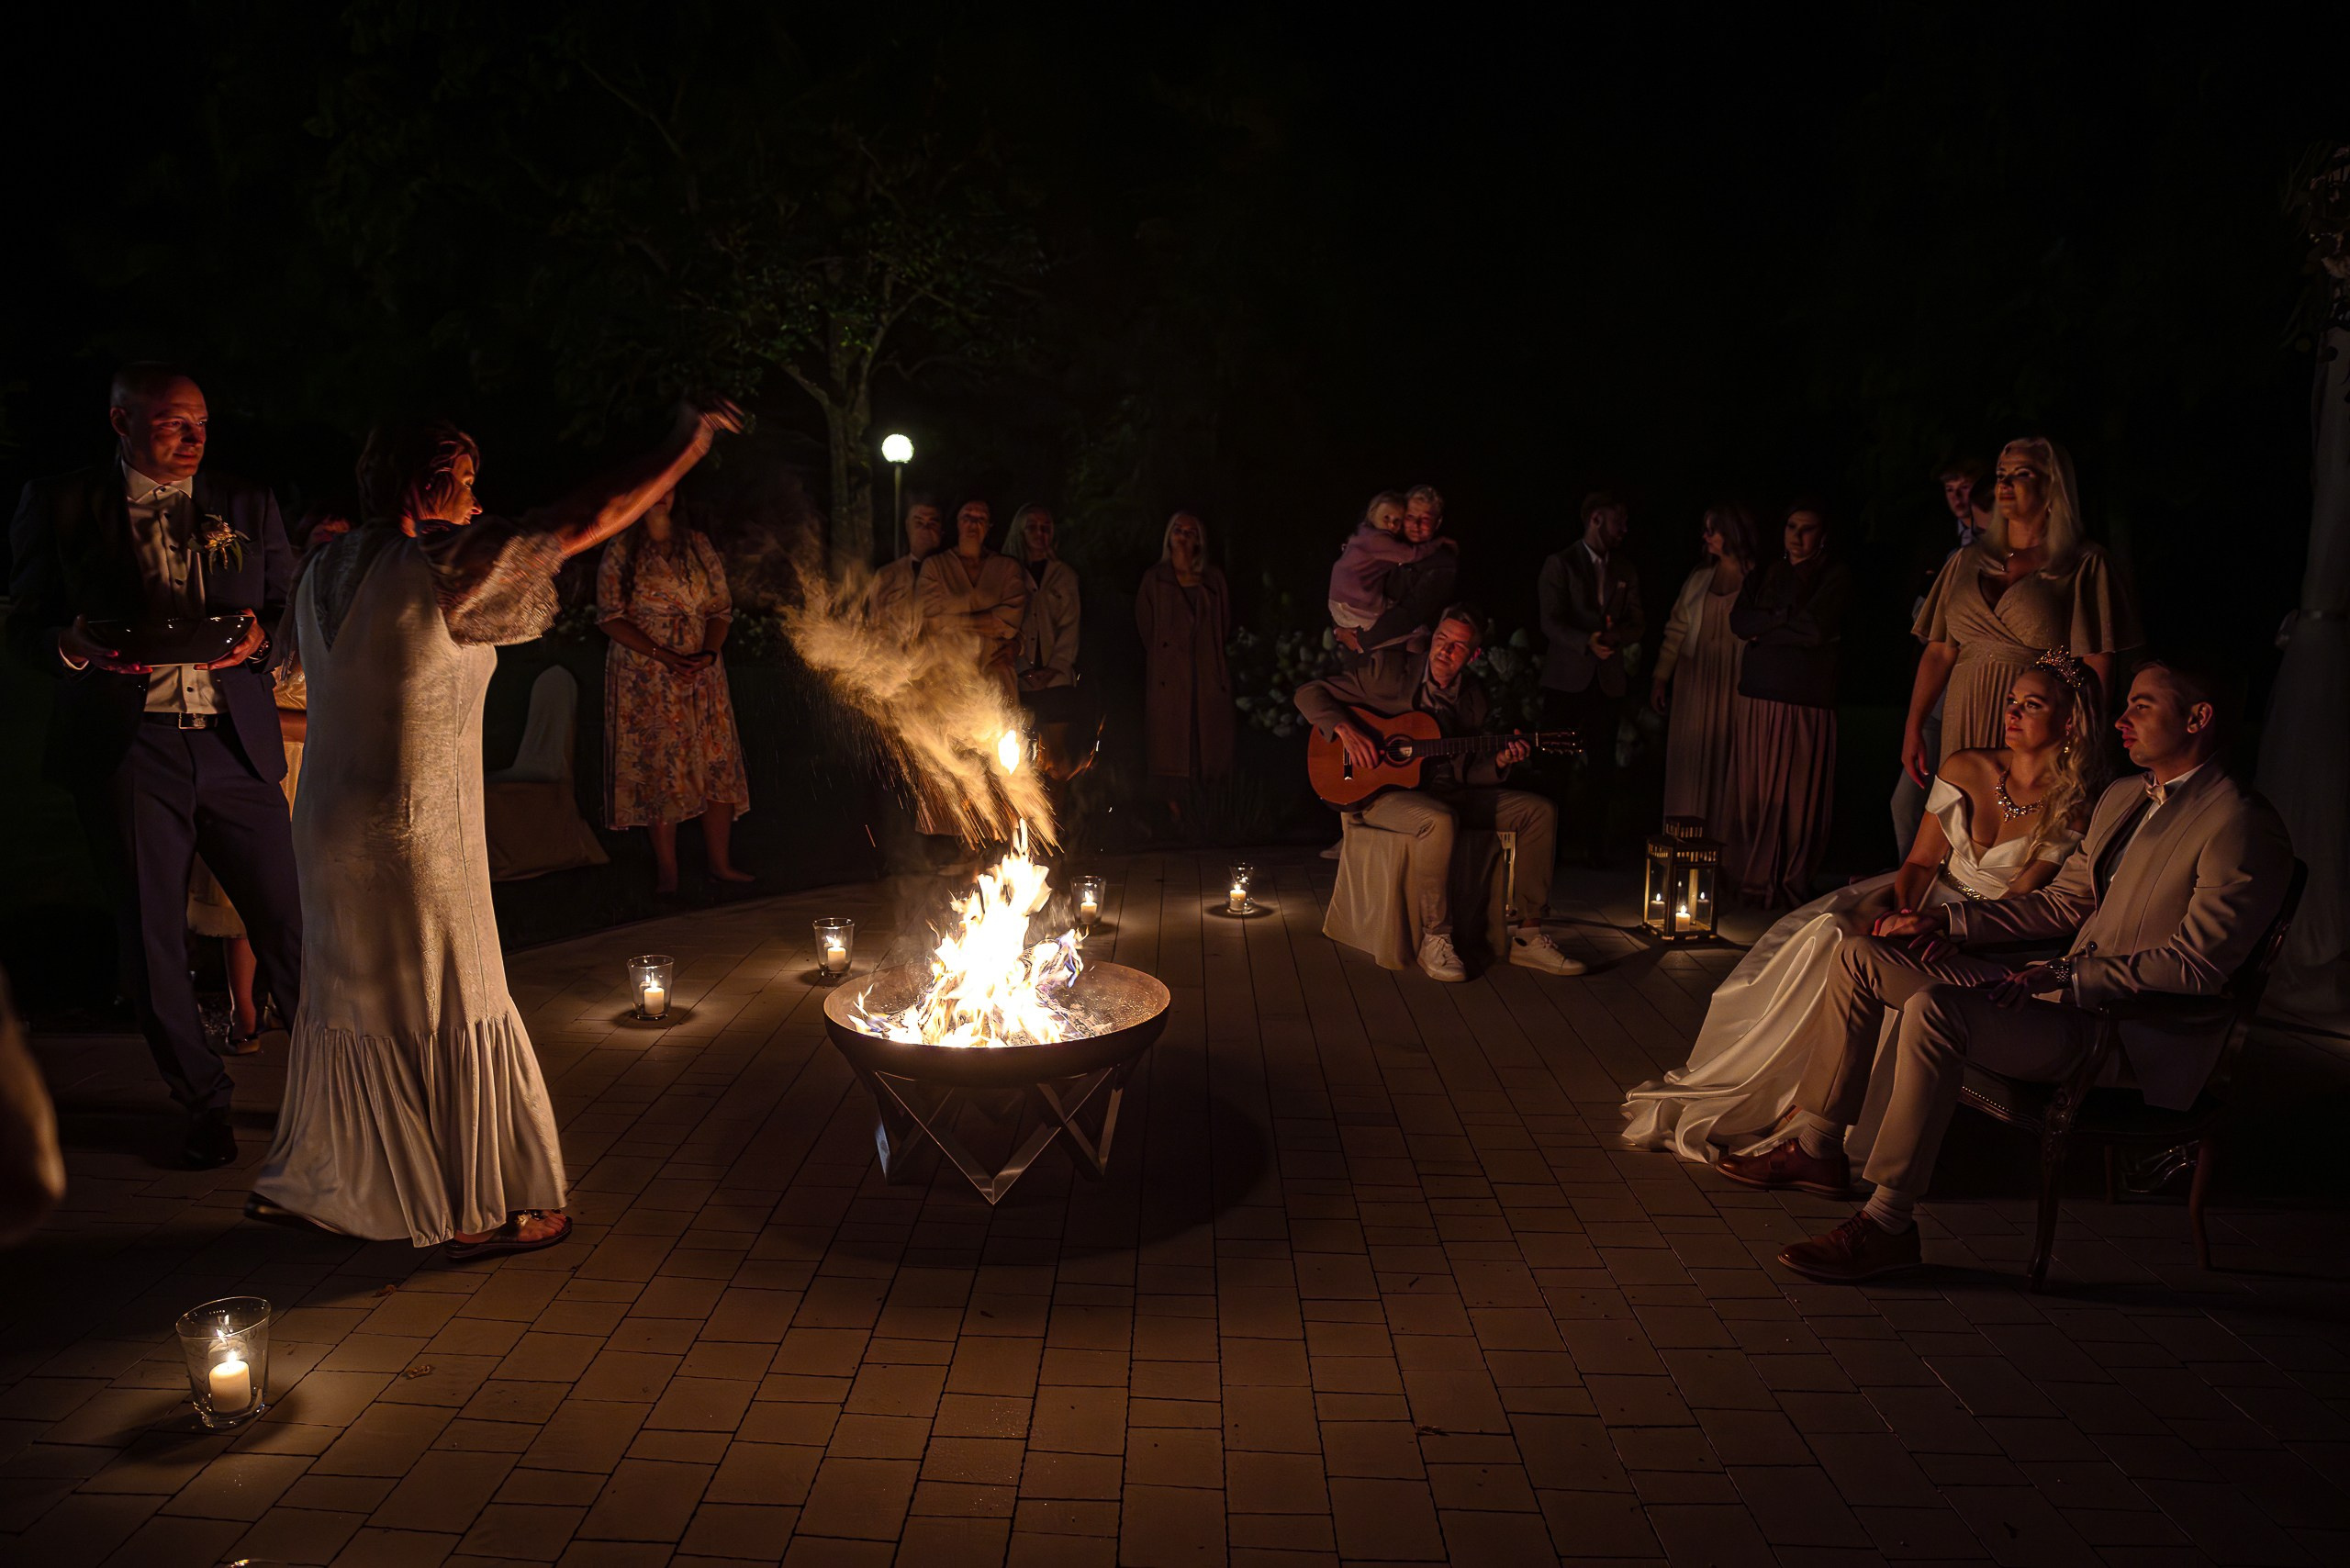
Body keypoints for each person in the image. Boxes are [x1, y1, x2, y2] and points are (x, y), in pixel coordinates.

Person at [252, 398, 742, 1253]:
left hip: (327, 823)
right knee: (453, 996)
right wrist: (683, 445)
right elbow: (577, 523)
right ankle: (475, 1206)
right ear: (425, 483)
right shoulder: (439, 564)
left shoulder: (323, 570)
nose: (479, 502)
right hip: (412, 831)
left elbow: (295, 687)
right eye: (467, 482)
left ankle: (332, 1181)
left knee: (355, 1005)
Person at [1718, 658, 2294, 1282]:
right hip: (2059, 1001)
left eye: (2143, 706)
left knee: (1938, 1011)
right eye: (2125, 704)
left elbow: (2198, 966)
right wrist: (1952, 925)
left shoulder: (2239, 823)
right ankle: (1818, 1148)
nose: (2122, 720)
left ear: (2199, 718)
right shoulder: (2127, 797)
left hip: (2123, 1035)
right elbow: (2064, 901)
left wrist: (2064, 978)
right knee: (1862, 956)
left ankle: (1887, 1223)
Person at [1627, 654, 2109, 1161]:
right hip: (1921, 894)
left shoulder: (2074, 804)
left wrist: (1948, 934)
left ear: (2070, 721)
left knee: (1885, 960)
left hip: (1989, 930)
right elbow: (1921, 861)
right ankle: (1776, 1093)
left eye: (2030, 706)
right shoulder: (1966, 765)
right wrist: (1904, 911)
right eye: (2011, 701)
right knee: (1829, 932)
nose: (2011, 714)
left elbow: (2019, 900)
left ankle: (1822, 1126)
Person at [6, 364, 301, 1169]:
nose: (195, 439)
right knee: (153, 939)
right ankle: (202, 1102)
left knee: (289, 920)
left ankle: (337, 1092)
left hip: (233, 740)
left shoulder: (243, 501)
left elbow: (280, 601)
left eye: (203, 422)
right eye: (174, 423)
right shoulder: (64, 502)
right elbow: (25, 624)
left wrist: (258, 637)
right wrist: (66, 649)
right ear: (121, 423)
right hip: (130, 746)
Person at [1294, 607, 1583, 981]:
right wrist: (1347, 732)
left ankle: (1528, 936)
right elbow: (1308, 694)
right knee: (1439, 820)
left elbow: (1465, 772)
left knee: (1538, 811)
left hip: (1448, 792)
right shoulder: (1388, 675)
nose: (1444, 651)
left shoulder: (1473, 699)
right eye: (1441, 640)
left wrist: (1498, 760)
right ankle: (1436, 938)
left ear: (1473, 655)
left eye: (1457, 646)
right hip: (1384, 795)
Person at [1902, 437, 2140, 789]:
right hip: (1963, 714)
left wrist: (2087, 734)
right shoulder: (1967, 561)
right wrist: (1913, 726)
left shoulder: (2082, 563)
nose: (2004, 482)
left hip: (2036, 721)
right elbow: (1939, 651)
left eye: (2022, 473)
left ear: (2052, 486)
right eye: (2001, 473)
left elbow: (2096, 660)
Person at [598, 487, 751, 893]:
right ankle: (669, 872)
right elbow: (609, 617)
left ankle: (721, 863)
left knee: (714, 759)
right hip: (646, 673)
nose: (661, 496)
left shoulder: (696, 544)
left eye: (669, 488)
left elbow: (720, 610)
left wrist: (708, 654)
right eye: (653, 489)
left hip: (699, 671)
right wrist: (663, 655)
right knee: (659, 764)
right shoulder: (622, 546)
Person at [1725, 503, 1852, 907]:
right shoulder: (1764, 572)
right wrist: (1783, 617)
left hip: (1805, 696)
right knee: (1757, 786)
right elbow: (1740, 623)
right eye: (1791, 526)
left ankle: (1787, 878)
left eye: (1808, 529)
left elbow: (1816, 629)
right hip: (1759, 692)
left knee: (1797, 794)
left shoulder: (1834, 575)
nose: (1797, 536)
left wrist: (1767, 628)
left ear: (1824, 535)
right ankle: (1751, 876)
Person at [1890, 461, 1995, 857]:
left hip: (1991, 692)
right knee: (1908, 800)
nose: (1957, 497)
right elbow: (1933, 634)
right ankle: (1910, 876)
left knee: (1970, 801)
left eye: (1964, 487)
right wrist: (1913, 723)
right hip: (1945, 693)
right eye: (1949, 489)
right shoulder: (1946, 550)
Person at [1539, 492, 1645, 865]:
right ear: (1597, 519)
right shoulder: (1560, 563)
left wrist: (1615, 639)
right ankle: (1550, 847)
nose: (1625, 530)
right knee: (1556, 766)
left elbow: (1639, 622)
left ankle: (1595, 849)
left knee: (1603, 766)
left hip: (1607, 680)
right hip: (1567, 679)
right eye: (1620, 521)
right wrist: (1587, 641)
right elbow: (1549, 621)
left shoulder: (1625, 570)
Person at [1649, 503, 1756, 836]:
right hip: (1696, 680)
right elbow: (1677, 629)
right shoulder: (1699, 578)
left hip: (1735, 680)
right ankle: (1683, 843)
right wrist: (1660, 677)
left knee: (1728, 759)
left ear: (1733, 532)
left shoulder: (1756, 576)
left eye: (1714, 529)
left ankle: (1725, 847)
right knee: (1691, 759)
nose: (1706, 536)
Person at [1136, 510, 1236, 787]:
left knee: (1208, 743)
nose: (1183, 537)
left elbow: (1223, 625)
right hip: (1169, 676)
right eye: (1178, 530)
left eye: (1190, 532)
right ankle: (1172, 807)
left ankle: (1208, 808)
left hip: (1206, 673)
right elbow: (1147, 628)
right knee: (1171, 744)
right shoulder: (1154, 579)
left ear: (1200, 541)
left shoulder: (1213, 579)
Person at [919, 498, 1027, 702]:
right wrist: (989, 622)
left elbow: (1009, 624)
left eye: (981, 518)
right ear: (957, 522)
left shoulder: (1006, 568)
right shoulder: (935, 566)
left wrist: (952, 621)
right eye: (967, 517)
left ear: (989, 526)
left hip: (996, 675)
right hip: (948, 678)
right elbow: (930, 622)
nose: (973, 524)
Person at [1345, 486, 1460, 660]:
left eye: (1425, 519)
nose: (1416, 525)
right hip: (1356, 638)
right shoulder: (1385, 546)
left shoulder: (1442, 564)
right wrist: (1341, 627)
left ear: (1438, 522)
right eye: (1410, 517)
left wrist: (1362, 639)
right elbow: (1346, 581)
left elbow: (1410, 614)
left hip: (1398, 649)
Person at [1013, 503, 1080, 695]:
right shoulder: (1010, 572)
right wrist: (1023, 668)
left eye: (1045, 528)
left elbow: (1070, 625)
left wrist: (1056, 667)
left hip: (1057, 678)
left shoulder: (1064, 575)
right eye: (1032, 527)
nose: (1039, 533)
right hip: (1018, 676)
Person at [870, 492, 944, 637]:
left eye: (933, 523)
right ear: (907, 526)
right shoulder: (886, 575)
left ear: (942, 530)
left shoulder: (954, 573)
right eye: (919, 522)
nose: (925, 529)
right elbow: (874, 627)